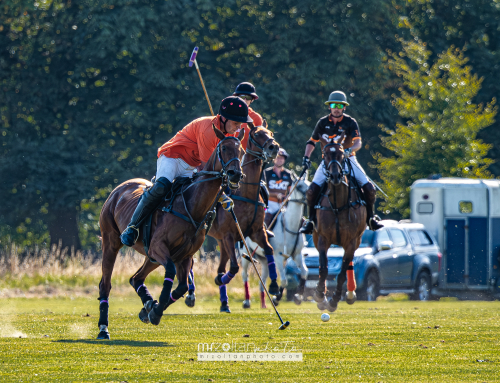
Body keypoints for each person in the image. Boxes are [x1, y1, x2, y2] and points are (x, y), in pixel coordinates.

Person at [120, 96, 252, 247]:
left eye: (240, 123)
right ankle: (132, 227)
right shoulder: (208, 130)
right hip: (173, 157)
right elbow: (206, 169)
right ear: (224, 118)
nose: (238, 127)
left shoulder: (229, 136)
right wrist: (222, 196)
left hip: (191, 165)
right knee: (162, 186)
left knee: (196, 199)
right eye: (236, 123)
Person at [299, 91, 384, 234]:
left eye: (339, 105)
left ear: (344, 107)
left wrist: (348, 150)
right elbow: (312, 142)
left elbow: (358, 143)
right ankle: (311, 220)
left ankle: (370, 218)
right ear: (329, 107)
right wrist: (306, 158)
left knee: (369, 188)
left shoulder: (350, 122)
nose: (336, 108)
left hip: (348, 158)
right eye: (333, 105)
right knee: (312, 190)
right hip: (327, 160)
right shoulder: (322, 122)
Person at [263, 148, 294, 229]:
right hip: (269, 204)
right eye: (278, 157)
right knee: (266, 219)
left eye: (282, 158)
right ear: (274, 159)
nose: (280, 160)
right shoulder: (266, 173)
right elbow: (262, 191)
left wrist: (288, 198)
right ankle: (265, 233)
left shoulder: (288, 174)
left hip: (283, 204)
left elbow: (292, 191)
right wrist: (275, 194)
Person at [233, 82, 263, 148]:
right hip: (229, 156)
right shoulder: (227, 115)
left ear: (252, 100)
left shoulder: (256, 118)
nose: (245, 100)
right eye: (242, 97)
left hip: (248, 156)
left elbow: (261, 141)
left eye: (248, 97)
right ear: (237, 98)